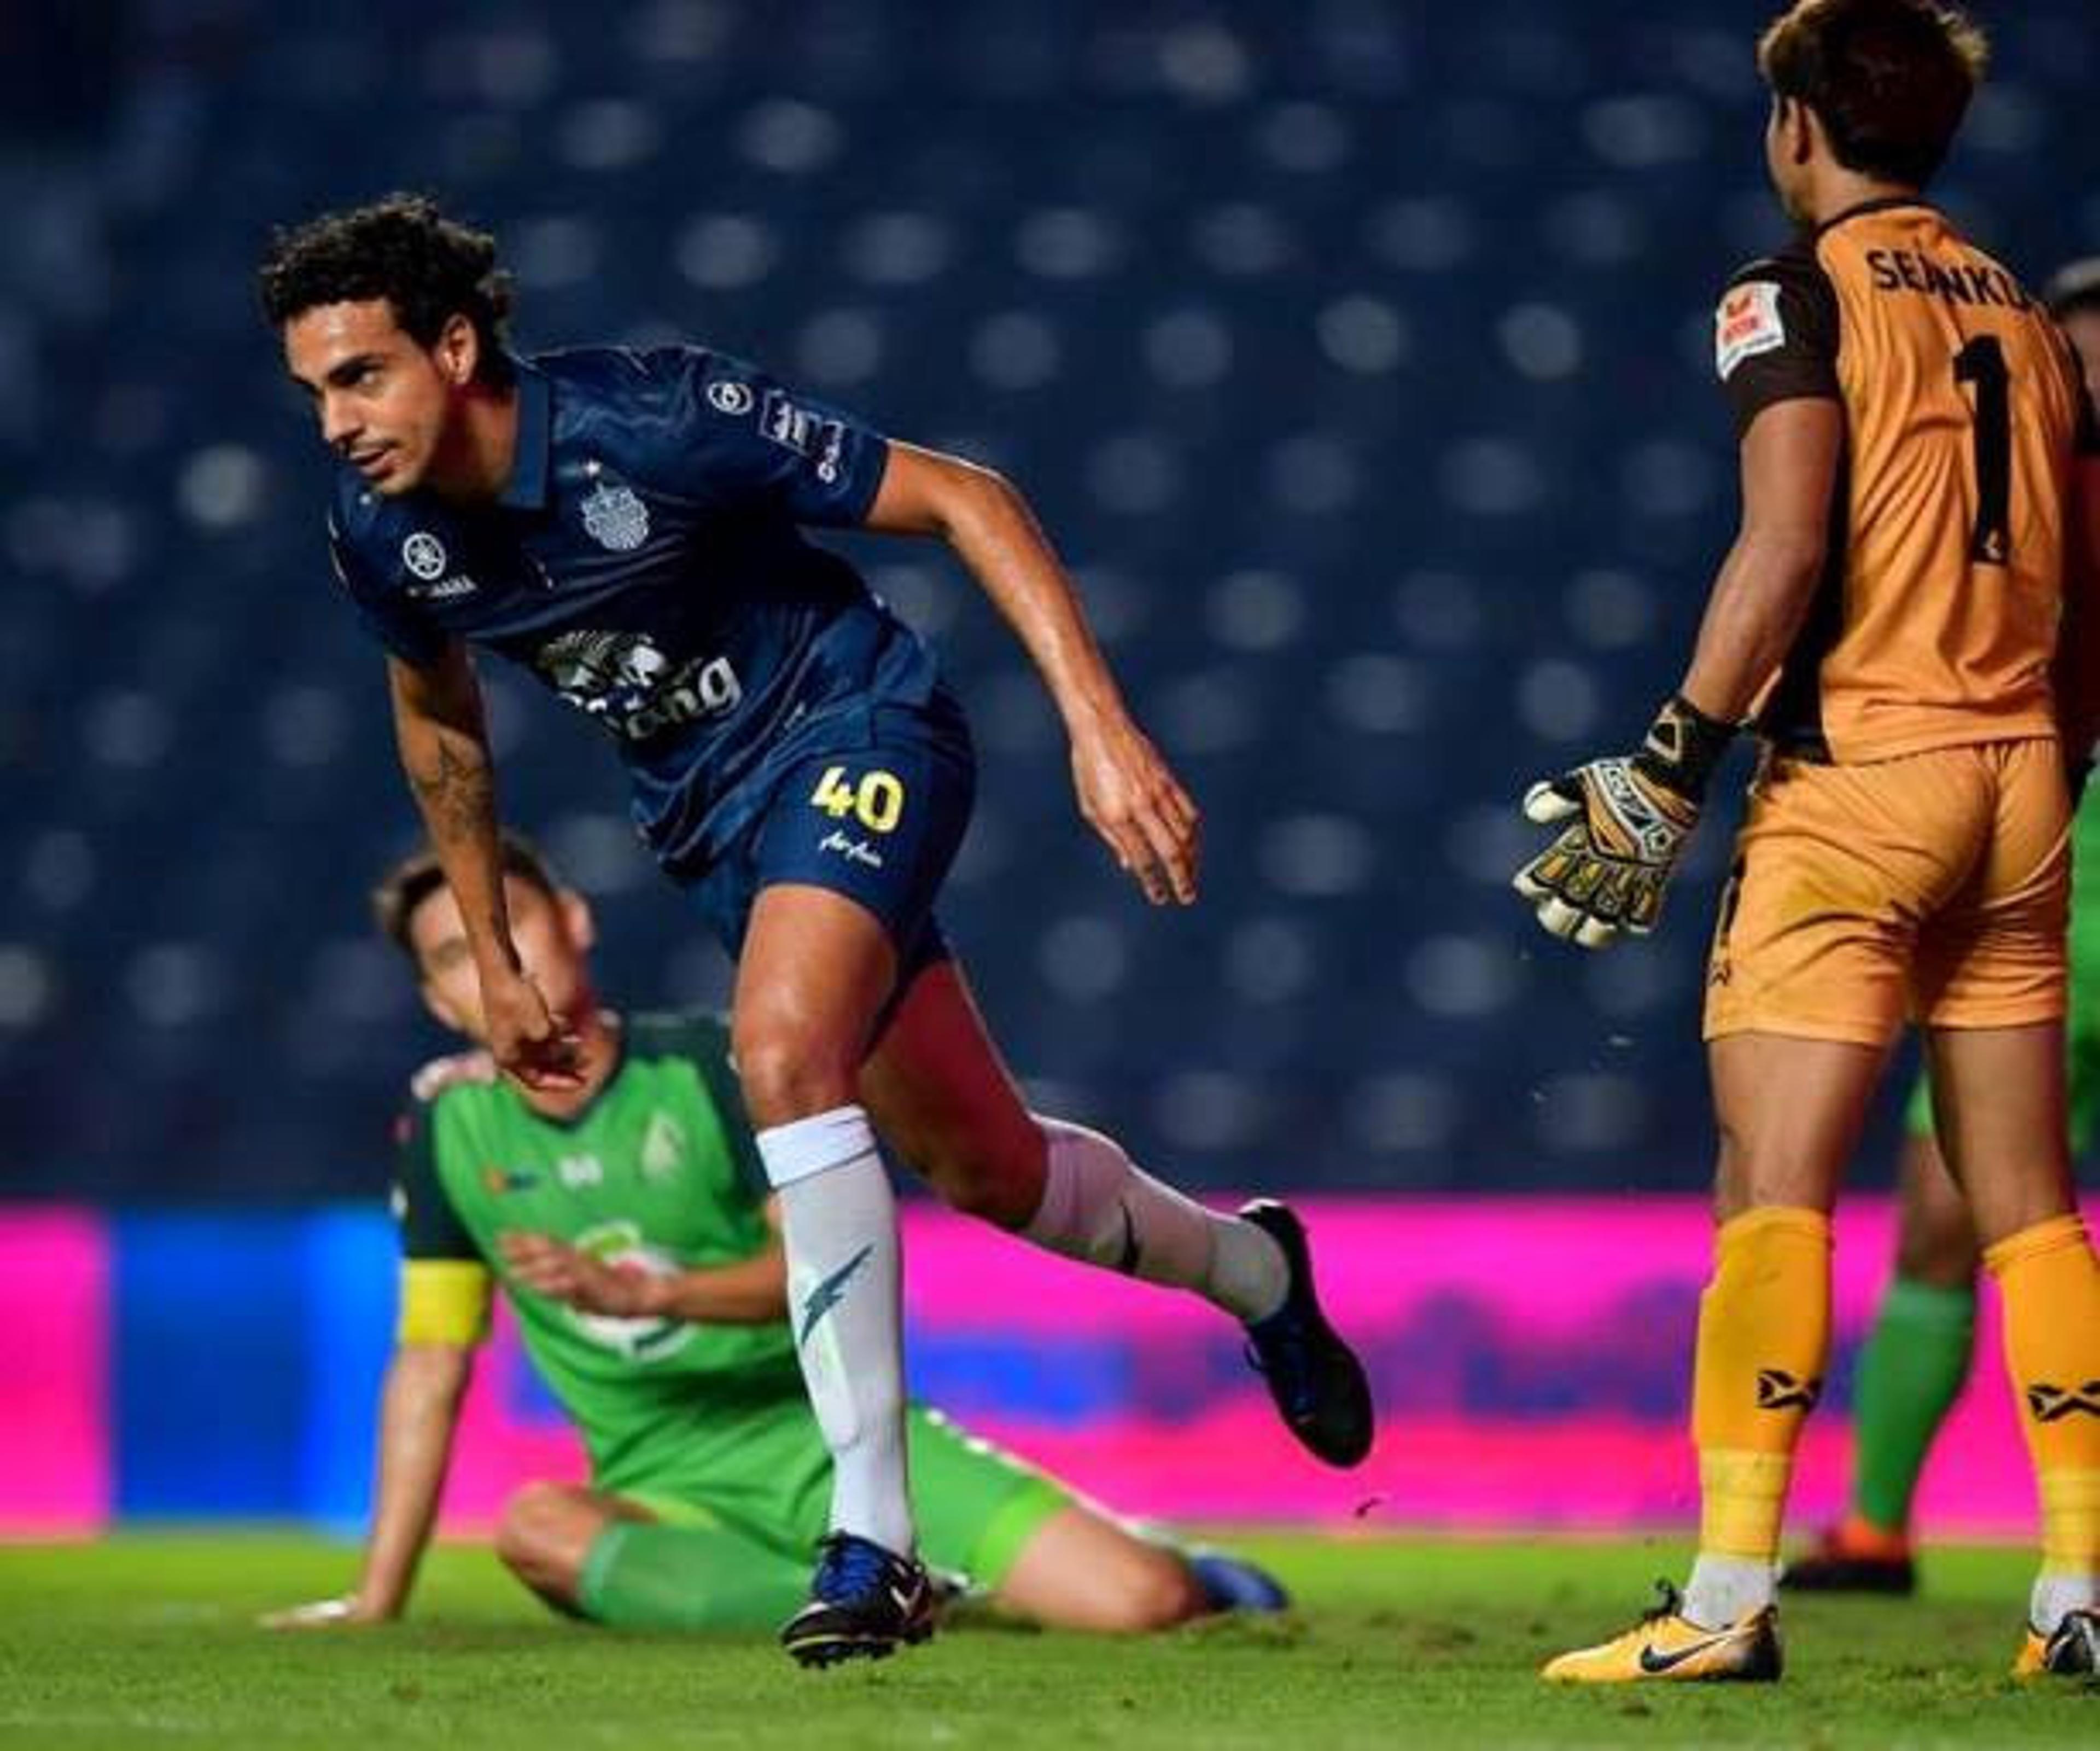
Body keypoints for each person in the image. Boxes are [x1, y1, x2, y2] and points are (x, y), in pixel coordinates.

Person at [258, 195, 1371, 1667]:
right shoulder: (380, 531)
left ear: (455, 347)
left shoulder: (650, 421)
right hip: (719, 827)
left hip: (860, 729)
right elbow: (441, 724)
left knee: (781, 1056)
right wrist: (498, 949)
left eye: (362, 376)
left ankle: (879, 1537)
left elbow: (970, 497)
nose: (336, 422)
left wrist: (1102, 732)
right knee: (992, 1168)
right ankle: (1256, 1274)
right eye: (313, 393)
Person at [1512, 0, 2100, 1683]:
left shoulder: (1792, 291)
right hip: (2024, 778)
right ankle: (2078, 1591)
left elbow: (1780, 548)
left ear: (1798, 128)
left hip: (1858, 783)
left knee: (1771, 1188)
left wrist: (1673, 760)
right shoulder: (2025, 311)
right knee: (2034, 1209)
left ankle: (1724, 1597)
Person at [265, 836, 1288, 1642]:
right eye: (456, 956)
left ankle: (1163, 1562)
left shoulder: (716, 1068)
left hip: (827, 1440)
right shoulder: (447, 1130)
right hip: (659, 1484)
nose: (496, 968)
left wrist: (650, 1295)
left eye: (509, 927)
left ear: (574, 923)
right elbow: (431, 1364)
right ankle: (932, 1598)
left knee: (1146, 1602)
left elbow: (820, 1270)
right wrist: (376, 1597)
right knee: (538, 1526)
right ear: (438, 997)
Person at [1784, 258, 2100, 1595]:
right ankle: (1876, 1525)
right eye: (2069, 355)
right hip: (2051, 894)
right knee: (1945, 1217)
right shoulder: (2004, 516)